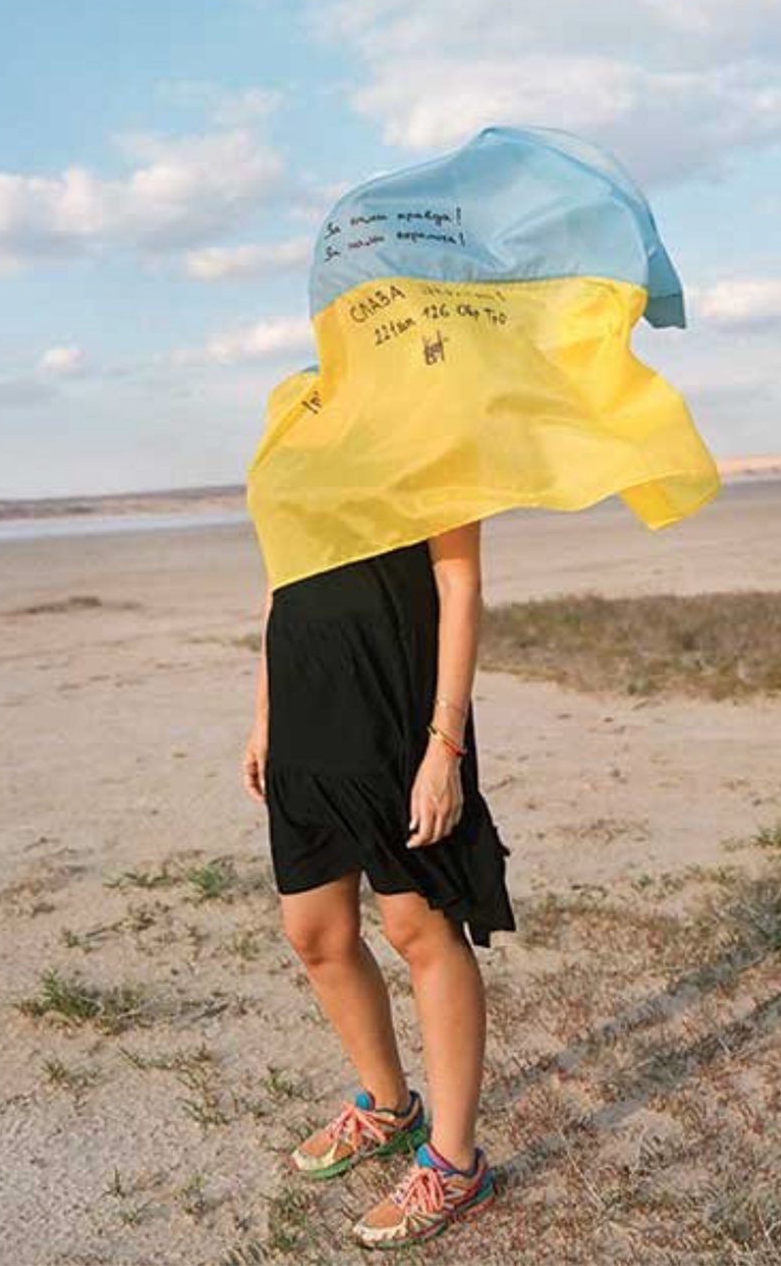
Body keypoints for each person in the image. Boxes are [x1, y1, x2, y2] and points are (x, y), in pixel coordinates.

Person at [241, 517, 510, 1249]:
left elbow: (458, 583)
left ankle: (455, 1165)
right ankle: (390, 1108)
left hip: (399, 716)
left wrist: (445, 746)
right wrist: (266, 718)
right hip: (304, 717)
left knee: (417, 928)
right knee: (316, 934)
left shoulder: (426, 423)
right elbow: (280, 589)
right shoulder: (296, 421)